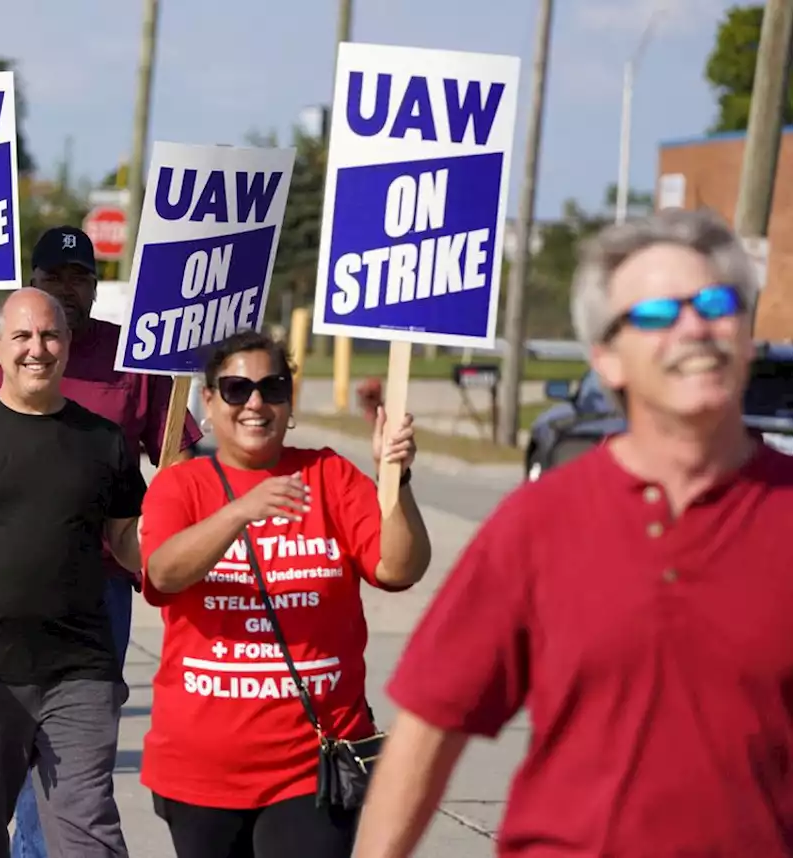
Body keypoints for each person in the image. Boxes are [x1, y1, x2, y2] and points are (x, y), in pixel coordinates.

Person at [352, 209, 794, 858]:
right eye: (654, 314)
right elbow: (428, 730)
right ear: (607, 360)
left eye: (714, 302)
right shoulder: (539, 524)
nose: (694, 327)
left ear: (746, 335)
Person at [0, 225, 201, 856]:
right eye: (54, 277)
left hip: (100, 587)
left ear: (92, 282)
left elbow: (180, 451)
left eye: (79, 277)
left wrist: (173, 486)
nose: (67, 288)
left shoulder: (136, 356)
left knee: (68, 748)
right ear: (31, 282)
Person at [137, 329, 431, 858]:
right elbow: (162, 575)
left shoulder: (328, 475)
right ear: (208, 400)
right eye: (235, 389)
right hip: (201, 769)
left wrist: (399, 479)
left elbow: (399, 567)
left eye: (272, 387)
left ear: (289, 401)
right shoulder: (181, 486)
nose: (255, 402)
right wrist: (239, 512)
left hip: (312, 763)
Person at [0, 287, 144, 858]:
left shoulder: (104, 440)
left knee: (90, 832)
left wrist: (188, 556)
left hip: (82, 669)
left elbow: (127, 540)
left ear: (66, 345)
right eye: (22, 336)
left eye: (50, 335)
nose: (36, 349)